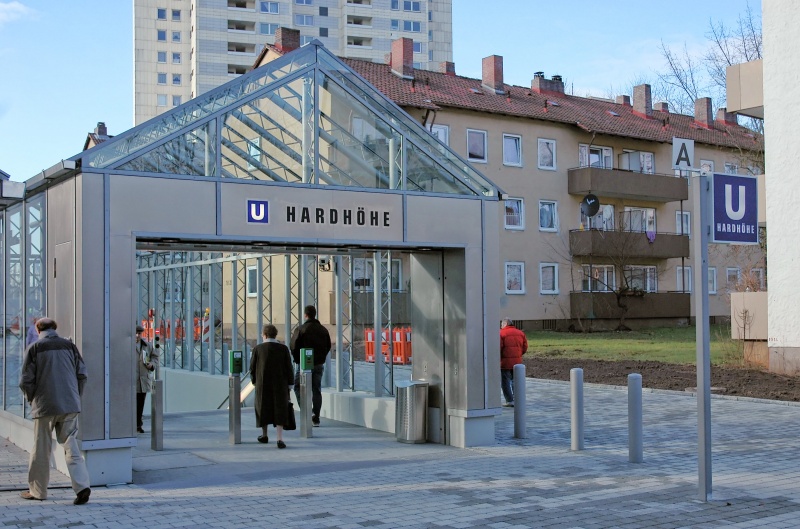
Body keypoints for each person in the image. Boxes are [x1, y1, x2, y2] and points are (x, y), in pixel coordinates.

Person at [18, 317, 91, 505]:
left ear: (38, 329)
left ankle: (38, 491)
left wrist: (32, 399)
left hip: (45, 406)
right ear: (55, 328)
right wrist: (74, 396)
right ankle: (82, 486)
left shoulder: (34, 348)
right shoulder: (70, 346)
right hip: (70, 405)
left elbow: (25, 381)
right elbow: (82, 374)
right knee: (71, 446)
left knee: (41, 449)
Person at [250, 324, 294, 448]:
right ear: (275, 335)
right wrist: (290, 384)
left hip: (262, 384)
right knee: (280, 409)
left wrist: (255, 381)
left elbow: (252, 368)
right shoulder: (283, 349)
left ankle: (264, 435)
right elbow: (289, 367)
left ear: (264, 335)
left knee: (263, 408)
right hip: (280, 385)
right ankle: (279, 438)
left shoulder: (258, 349)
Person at [291, 305, 331, 427]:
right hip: (318, 364)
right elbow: (328, 346)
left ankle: (307, 411)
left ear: (305, 315)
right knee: (316, 389)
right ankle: (316, 417)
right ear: (315, 314)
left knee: (298, 386)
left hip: (304, 364)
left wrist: (298, 360)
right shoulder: (323, 330)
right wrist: (321, 358)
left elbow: (293, 346)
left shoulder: (301, 329)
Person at [135, 324, 160, 434]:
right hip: (132, 380)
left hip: (143, 380)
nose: (137, 335)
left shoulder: (147, 345)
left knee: (140, 404)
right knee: (131, 404)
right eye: (135, 333)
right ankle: (132, 425)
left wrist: (152, 364)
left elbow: (155, 357)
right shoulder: (127, 345)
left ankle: (138, 425)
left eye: (139, 333)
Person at [499, 318, 528, 407]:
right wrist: (518, 354)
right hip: (517, 362)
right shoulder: (521, 333)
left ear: (505, 324)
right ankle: (518, 399)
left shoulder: (501, 333)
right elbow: (525, 347)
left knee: (505, 382)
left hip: (505, 362)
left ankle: (510, 400)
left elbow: (499, 347)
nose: (501, 326)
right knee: (516, 381)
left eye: (501, 324)